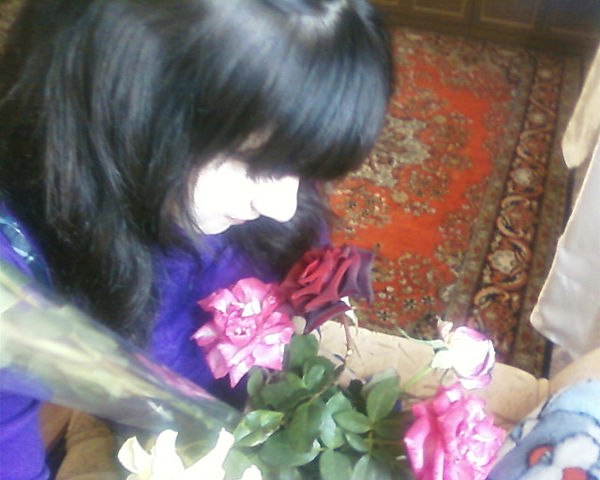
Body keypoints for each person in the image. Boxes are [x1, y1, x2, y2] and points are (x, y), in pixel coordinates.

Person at [0, 0, 393, 478]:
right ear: (125, 101)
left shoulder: (249, 170)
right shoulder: (14, 283)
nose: (285, 206)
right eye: (255, 164)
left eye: (302, 166)